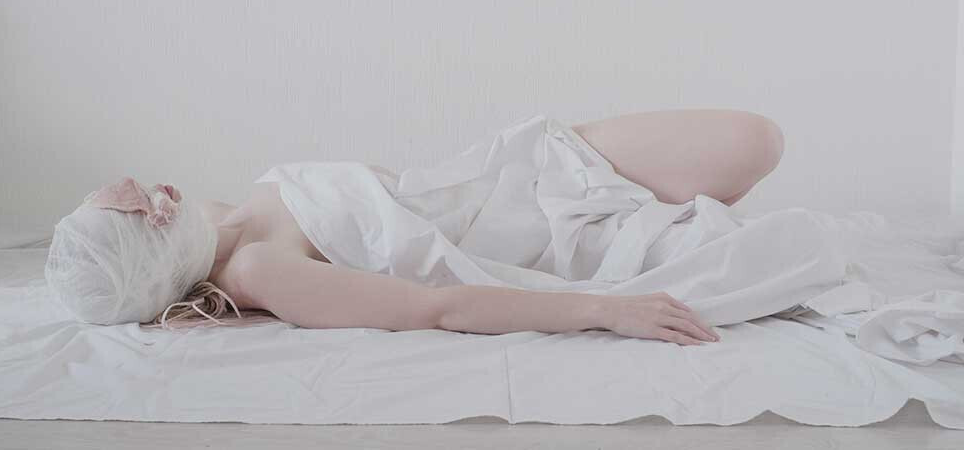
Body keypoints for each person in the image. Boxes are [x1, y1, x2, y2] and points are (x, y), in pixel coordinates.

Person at [45, 109, 784, 346]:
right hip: (522, 235)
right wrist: (605, 311)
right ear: (153, 249)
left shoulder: (214, 218)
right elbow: (436, 307)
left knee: (755, 139)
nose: (148, 193)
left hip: (501, 176)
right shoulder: (257, 270)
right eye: (137, 211)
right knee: (752, 156)